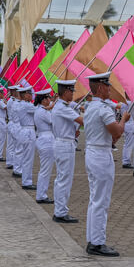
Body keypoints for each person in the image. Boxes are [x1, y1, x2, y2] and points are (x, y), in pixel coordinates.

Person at [83, 72, 128, 256]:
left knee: (95, 199)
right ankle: (98, 242)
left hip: (95, 151)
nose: (110, 89)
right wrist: (124, 119)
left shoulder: (91, 107)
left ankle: (92, 239)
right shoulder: (103, 109)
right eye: (108, 86)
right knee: (101, 201)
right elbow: (116, 131)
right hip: (100, 155)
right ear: (101, 88)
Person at [51, 80, 83, 224]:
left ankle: (60, 210)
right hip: (64, 144)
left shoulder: (62, 106)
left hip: (64, 143)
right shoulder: (63, 107)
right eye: (71, 91)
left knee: (63, 179)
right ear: (65, 92)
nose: (73, 94)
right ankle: (60, 212)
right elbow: (82, 120)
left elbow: (73, 123)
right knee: (64, 180)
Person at [33, 90, 56, 204]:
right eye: (48, 98)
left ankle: (41, 194)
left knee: (45, 169)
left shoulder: (40, 110)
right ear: (44, 100)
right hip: (46, 139)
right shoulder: (43, 112)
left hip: (43, 138)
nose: (50, 100)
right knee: (45, 170)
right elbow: (54, 121)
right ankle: (41, 195)